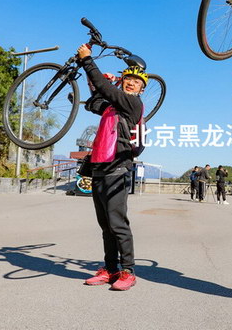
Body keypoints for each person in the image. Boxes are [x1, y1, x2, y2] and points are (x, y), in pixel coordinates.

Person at [77, 44, 147, 291]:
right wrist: (93, 82)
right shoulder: (111, 107)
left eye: (136, 82)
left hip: (118, 169)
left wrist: (88, 61)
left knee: (118, 223)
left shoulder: (133, 105)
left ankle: (128, 271)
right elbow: (93, 103)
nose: (131, 83)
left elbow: (107, 90)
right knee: (105, 224)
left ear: (141, 89)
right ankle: (110, 269)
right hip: (98, 168)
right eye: (127, 79)